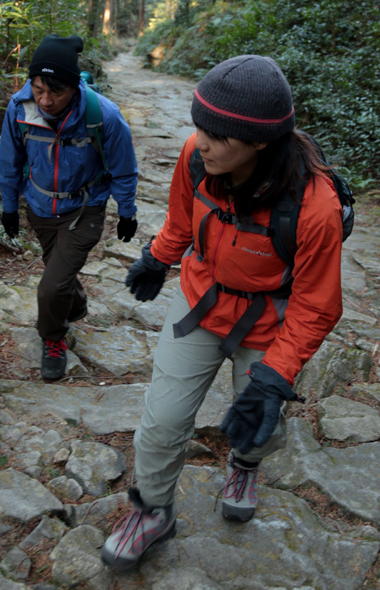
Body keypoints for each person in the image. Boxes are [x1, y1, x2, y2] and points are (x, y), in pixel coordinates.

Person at [101, 55, 343, 570]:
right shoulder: (197, 156)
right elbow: (182, 221)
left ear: (259, 141)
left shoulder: (314, 206)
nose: (201, 141)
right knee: (162, 421)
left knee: (259, 424)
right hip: (201, 297)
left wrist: (275, 377)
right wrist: (157, 259)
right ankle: (152, 513)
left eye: (217, 135)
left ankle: (244, 464)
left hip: (270, 321)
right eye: (199, 127)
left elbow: (317, 304)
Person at [0, 34, 138, 380]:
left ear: (74, 88)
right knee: (58, 275)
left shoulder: (103, 116)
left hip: (84, 209)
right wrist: (9, 207)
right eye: (38, 88)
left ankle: (53, 338)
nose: (45, 100)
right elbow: (9, 161)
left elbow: (123, 168)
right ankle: (75, 304)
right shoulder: (19, 108)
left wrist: (127, 212)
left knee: (50, 285)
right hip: (39, 206)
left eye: (55, 92)